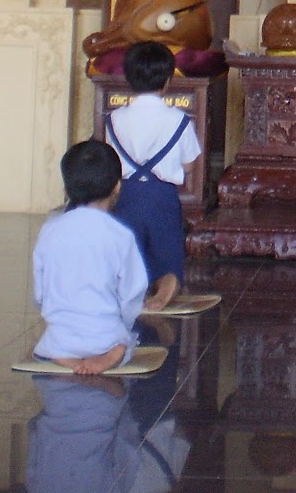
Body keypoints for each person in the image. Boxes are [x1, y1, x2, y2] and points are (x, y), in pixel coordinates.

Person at [32, 139, 148, 375]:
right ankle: (112, 353)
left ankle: (62, 354)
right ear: (117, 186)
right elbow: (133, 294)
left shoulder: (50, 230)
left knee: (52, 339)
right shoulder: (120, 236)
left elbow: (39, 292)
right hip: (104, 335)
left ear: (68, 187)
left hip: (60, 336)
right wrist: (124, 325)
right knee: (123, 340)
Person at [105, 42, 201, 312]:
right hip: (163, 196)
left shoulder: (114, 119)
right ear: (168, 79)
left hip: (125, 194)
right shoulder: (179, 120)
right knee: (167, 255)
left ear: (128, 77)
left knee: (127, 251)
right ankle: (164, 291)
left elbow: (110, 159)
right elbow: (190, 164)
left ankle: (128, 291)